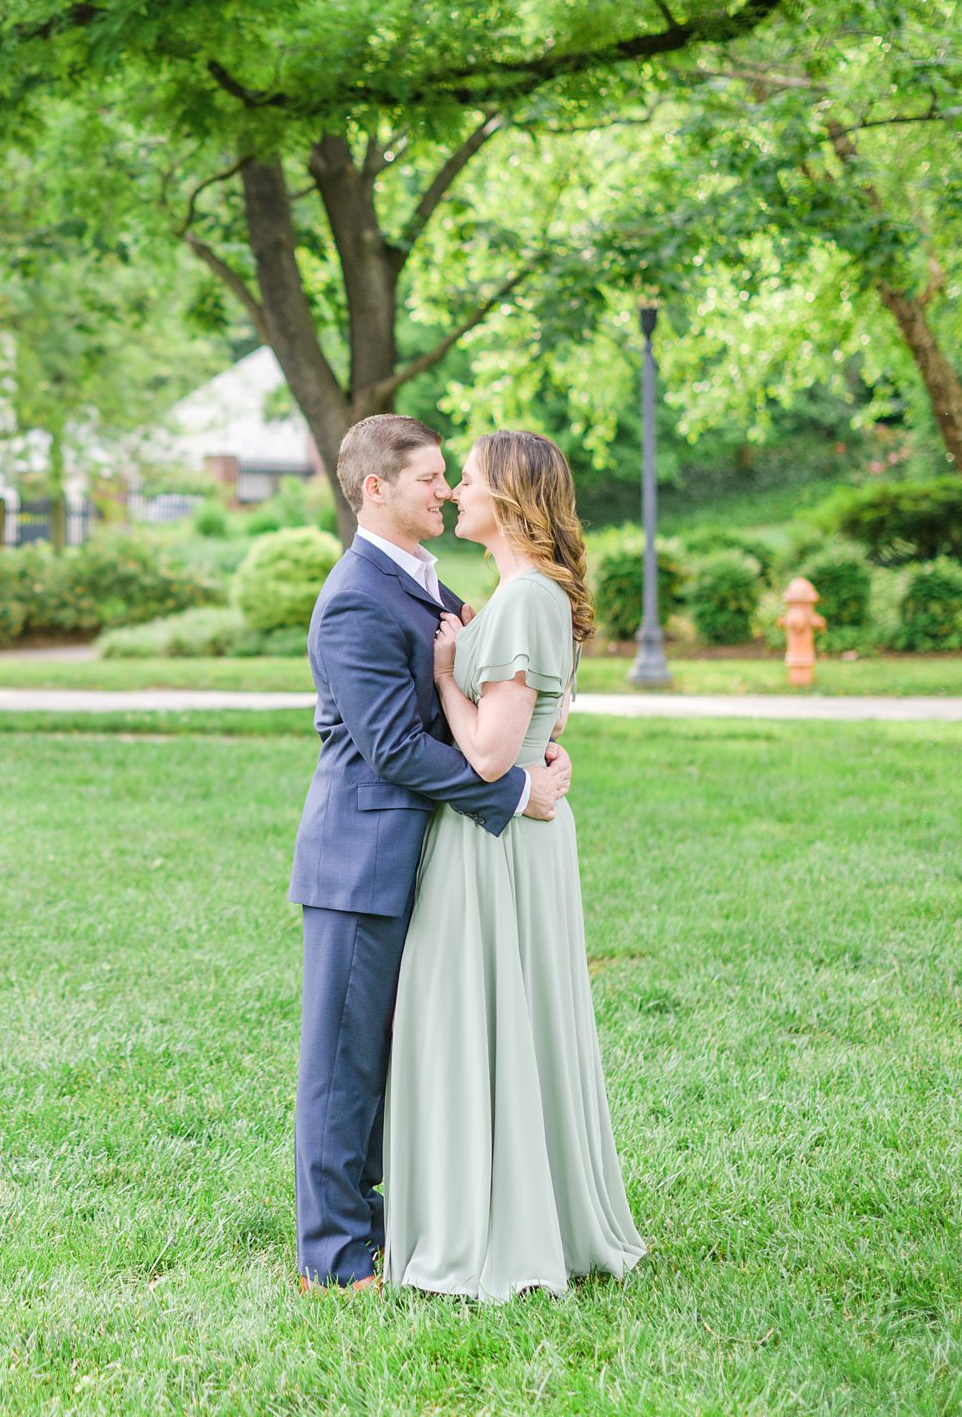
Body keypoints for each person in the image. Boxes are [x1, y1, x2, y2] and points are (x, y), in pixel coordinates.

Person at [290, 414, 570, 1292]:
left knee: (398, 1055)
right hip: (362, 861)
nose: (447, 491)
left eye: (452, 476)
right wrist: (515, 789)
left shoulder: (428, 585)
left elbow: (498, 691)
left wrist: (538, 748)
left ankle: (390, 1220)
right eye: (430, 479)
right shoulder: (353, 597)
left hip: (426, 859)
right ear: (377, 488)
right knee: (343, 1063)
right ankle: (333, 1259)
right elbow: (392, 747)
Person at [381, 429, 646, 1301]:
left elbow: (493, 756)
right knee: (498, 1020)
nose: (455, 490)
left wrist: (449, 673)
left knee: (481, 1017)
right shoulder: (521, 593)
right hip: (514, 837)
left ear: (512, 497)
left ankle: (501, 1225)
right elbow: (536, 739)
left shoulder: (527, 597)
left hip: (497, 842)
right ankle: (513, 1207)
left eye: (469, 479)